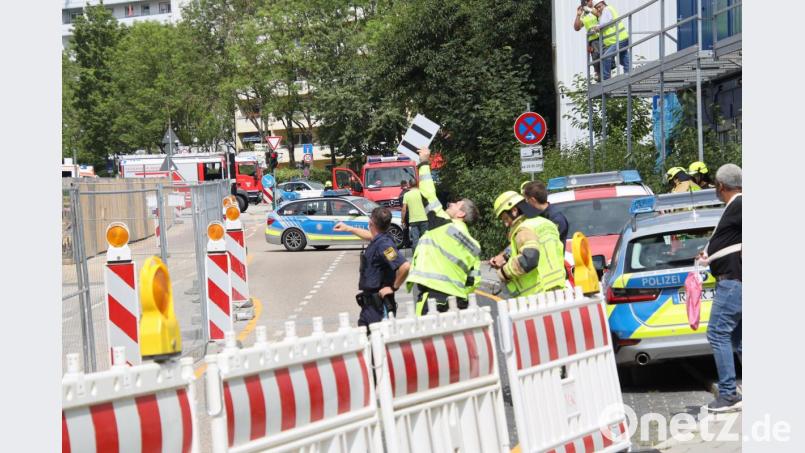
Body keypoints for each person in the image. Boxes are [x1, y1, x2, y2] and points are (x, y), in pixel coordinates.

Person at [406, 148, 481, 315]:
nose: (450, 204)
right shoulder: (474, 245)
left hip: (434, 300)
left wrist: (424, 162)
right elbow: (474, 280)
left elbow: (427, 194)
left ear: (461, 214)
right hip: (459, 303)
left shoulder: (443, 225)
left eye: (456, 204)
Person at [696, 164, 742, 412]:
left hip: (733, 281)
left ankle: (728, 394)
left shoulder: (740, 205)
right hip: (734, 280)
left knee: (717, 332)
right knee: (738, 338)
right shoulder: (735, 207)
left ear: (720, 186)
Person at [334, 207, 410, 332]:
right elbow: (370, 236)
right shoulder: (380, 239)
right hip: (369, 306)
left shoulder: (384, 245)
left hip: (379, 306)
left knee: (378, 344)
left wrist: (393, 287)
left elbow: (405, 266)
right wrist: (349, 228)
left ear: (371, 223)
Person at [490, 191, 566, 298]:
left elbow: (529, 259)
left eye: (506, 218)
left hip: (537, 295)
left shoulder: (523, 229)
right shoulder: (546, 223)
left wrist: (503, 272)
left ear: (514, 210)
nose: (506, 224)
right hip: (559, 288)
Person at [522, 180, 570, 247]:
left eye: (527, 200)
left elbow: (546, 243)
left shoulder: (556, 219)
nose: (526, 203)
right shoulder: (536, 216)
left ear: (533, 200)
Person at [593, 0, 630, 80]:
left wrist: (597, 27)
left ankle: (606, 79)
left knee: (606, 56)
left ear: (603, 4)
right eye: (597, 8)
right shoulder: (606, 11)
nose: (599, 9)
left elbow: (606, 22)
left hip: (619, 39)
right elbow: (606, 22)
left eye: (600, 6)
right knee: (623, 59)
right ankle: (629, 75)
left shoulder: (607, 9)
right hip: (620, 38)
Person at [574, 0, 603, 81]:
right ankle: (598, 75)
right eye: (584, 2)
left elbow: (599, 15)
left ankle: (604, 77)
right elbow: (577, 27)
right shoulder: (584, 14)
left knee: (605, 59)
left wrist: (589, 9)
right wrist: (578, 15)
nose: (586, 3)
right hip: (592, 41)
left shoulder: (597, 8)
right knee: (596, 58)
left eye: (588, 1)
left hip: (602, 37)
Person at [401, 179, 429, 251]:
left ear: (409, 185)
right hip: (424, 219)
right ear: (417, 184)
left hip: (413, 220)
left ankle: (416, 257)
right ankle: (427, 254)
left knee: (415, 240)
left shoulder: (406, 195)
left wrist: (402, 220)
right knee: (425, 239)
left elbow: (404, 209)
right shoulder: (421, 193)